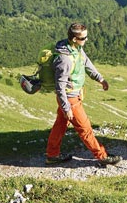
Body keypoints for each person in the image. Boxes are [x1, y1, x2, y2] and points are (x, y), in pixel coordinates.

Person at [45, 21, 120, 166]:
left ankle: (52, 155)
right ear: (74, 39)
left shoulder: (76, 49)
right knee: (85, 128)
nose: (86, 40)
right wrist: (66, 107)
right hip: (70, 99)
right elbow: (60, 86)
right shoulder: (64, 59)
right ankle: (102, 156)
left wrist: (100, 79)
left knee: (60, 126)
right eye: (83, 38)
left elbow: (87, 63)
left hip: (74, 96)